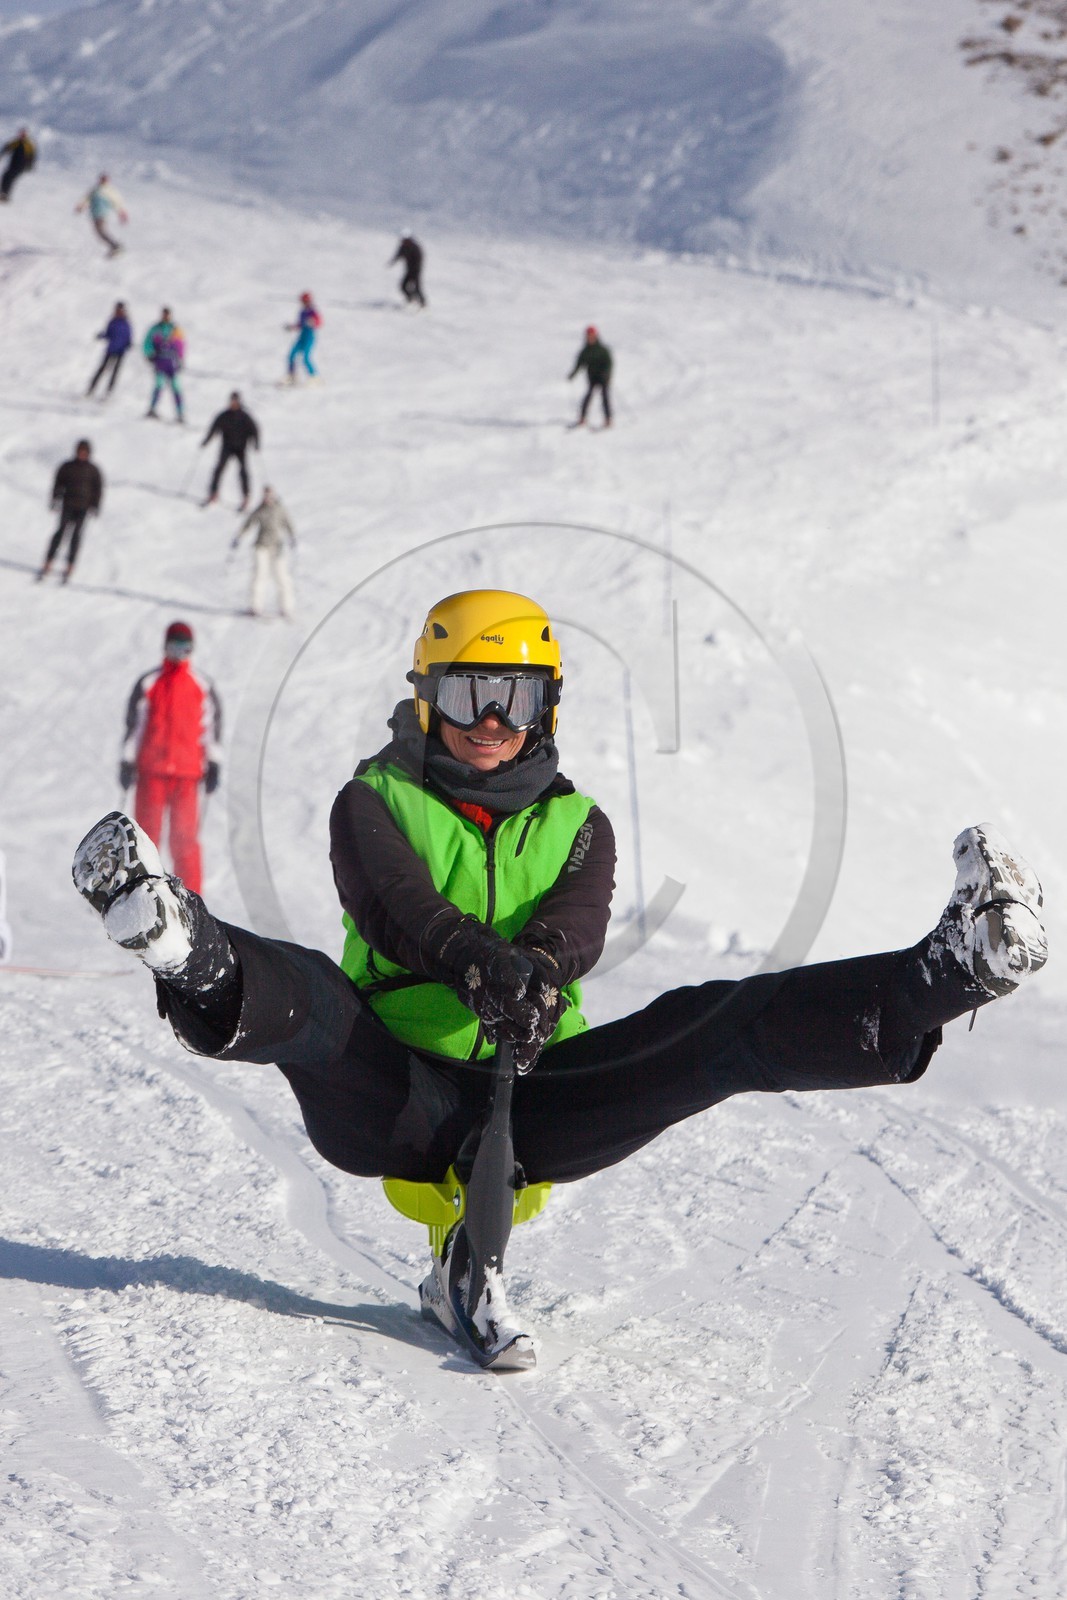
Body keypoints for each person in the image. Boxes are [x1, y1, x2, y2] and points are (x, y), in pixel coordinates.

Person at [71, 590, 1049, 1367]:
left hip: (536, 1096)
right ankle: (187, 946)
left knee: (707, 1027)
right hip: (394, 1091)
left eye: (518, 697)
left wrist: (533, 973)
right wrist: (475, 962)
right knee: (317, 999)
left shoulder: (579, 824)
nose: (492, 720)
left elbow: (575, 928)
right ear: (427, 697)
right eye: (468, 695)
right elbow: (393, 904)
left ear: (547, 707)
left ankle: (948, 969)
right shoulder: (372, 799)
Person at [116, 621, 222, 896]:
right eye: (174, 647)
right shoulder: (150, 683)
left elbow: (210, 728)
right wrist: (127, 760)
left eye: (184, 648)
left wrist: (213, 762)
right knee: (144, 838)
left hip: (187, 775)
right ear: (165, 647)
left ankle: (191, 898)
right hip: (151, 772)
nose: (179, 654)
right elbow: (135, 725)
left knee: (184, 839)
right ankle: (137, 894)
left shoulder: (201, 685)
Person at [36, 439, 103, 584]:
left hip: (83, 507)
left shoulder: (93, 470)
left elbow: (97, 489)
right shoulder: (67, 467)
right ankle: (48, 562)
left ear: (89, 453)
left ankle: (70, 566)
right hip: (68, 505)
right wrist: (55, 498)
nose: (82, 454)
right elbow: (58, 483)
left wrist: (95, 505)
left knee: (76, 537)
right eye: (80, 451)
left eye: (85, 452)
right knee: (60, 533)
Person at [231, 485, 296, 618]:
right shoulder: (260, 510)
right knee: (260, 575)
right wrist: (238, 537)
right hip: (261, 546)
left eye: (269, 495)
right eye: (265, 496)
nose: (267, 498)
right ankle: (255, 606)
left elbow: (288, 523)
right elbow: (248, 524)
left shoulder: (279, 509)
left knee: (282, 577)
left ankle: (286, 607)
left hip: (277, 548)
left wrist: (292, 537)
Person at [200, 392, 259, 509]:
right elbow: (214, 428)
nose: (233, 403)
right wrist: (206, 441)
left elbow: (254, 430)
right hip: (227, 447)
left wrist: (256, 443)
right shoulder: (224, 416)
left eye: (235, 401)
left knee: (243, 472)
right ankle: (213, 493)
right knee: (219, 469)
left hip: (241, 448)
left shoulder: (244, 416)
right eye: (232, 401)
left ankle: (246, 496)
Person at [143, 308, 185, 422]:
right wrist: (149, 354)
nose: (165, 317)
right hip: (160, 362)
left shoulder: (175, 329)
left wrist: (180, 358)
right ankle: (152, 408)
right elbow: (147, 342)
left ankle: (180, 413)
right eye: (164, 314)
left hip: (171, 363)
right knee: (159, 385)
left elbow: (180, 344)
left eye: (167, 315)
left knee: (176, 387)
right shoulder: (156, 329)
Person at [568, 325, 613, 428]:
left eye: (592, 336)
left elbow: (609, 363)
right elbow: (579, 364)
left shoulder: (602, 349)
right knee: (588, 396)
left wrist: (607, 373)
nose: (590, 338)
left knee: (605, 397)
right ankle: (582, 418)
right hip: (592, 377)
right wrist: (573, 374)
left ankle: (608, 419)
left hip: (603, 377)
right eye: (588, 336)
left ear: (596, 336)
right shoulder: (585, 351)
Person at [86, 301, 132, 398]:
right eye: (117, 309)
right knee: (102, 369)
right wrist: (101, 336)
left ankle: (109, 392)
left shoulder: (126, 323)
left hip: (120, 351)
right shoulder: (113, 321)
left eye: (120, 310)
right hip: (111, 349)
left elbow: (128, 336)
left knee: (115, 372)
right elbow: (108, 334)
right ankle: (91, 388)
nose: (118, 311)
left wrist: (128, 344)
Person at [75, 174, 128, 256]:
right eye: (102, 179)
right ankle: (114, 246)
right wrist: (81, 206)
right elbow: (87, 198)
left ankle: (115, 246)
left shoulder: (110, 190)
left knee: (101, 230)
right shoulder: (95, 189)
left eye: (105, 179)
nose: (103, 181)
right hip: (94, 213)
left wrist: (122, 212)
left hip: (103, 213)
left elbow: (117, 201)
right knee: (99, 232)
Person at [284, 292, 321, 384]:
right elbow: (300, 324)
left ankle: (314, 377)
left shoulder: (313, 311)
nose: (304, 303)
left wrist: (313, 322)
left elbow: (318, 322)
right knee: (291, 355)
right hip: (302, 337)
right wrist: (291, 327)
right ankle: (292, 376)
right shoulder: (302, 312)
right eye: (303, 301)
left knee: (305, 357)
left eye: (305, 301)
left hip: (309, 337)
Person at [389, 231, 426, 307]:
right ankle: (410, 299)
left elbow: (420, 259)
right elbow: (398, 255)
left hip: (416, 270)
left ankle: (423, 303)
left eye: (405, 240)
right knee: (403, 286)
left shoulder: (415, 248)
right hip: (409, 270)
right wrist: (392, 262)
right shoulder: (403, 247)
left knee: (417, 287)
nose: (404, 242)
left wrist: (416, 268)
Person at [0, 128, 36, 203]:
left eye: (24, 135)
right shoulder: (16, 142)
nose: (22, 136)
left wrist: (30, 165)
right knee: (5, 176)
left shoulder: (28, 145)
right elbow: (7, 147)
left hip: (20, 166)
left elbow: (32, 156)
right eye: (21, 134)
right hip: (12, 164)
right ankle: (3, 193)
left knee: (10, 178)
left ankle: (5, 195)